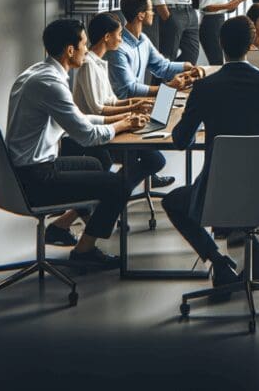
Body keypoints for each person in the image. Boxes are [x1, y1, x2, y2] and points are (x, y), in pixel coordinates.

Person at [161, 15, 259, 290]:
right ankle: (257, 250)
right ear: (251, 44)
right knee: (242, 189)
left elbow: (180, 141)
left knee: (174, 202)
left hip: (218, 192)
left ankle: (219, 261)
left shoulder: (205, 87)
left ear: (220, 44)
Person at [5, 19, 150, 268]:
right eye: (83, 43)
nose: (87, 49)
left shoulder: (39, 72)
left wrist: (120, 119)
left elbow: (79, 118)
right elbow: (87, 135)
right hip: (35, 177)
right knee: (118, 185)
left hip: (27, 168)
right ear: (70, 50)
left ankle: (63, 226)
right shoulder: (51, 84)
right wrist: (122, 126)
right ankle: (85, 250)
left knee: (95, 164)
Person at [46, 14, 169, 245]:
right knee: (151, 160)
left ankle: (67, 222)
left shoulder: (99, 63)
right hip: (84, 140)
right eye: (119, 35)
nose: (122, 39)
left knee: (152, 159)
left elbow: (109, 102)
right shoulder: (87, 66)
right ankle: (98, 218)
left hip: (95, 133)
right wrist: (127, 118)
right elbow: (97, 110)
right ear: (106, 36)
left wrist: (135, 106)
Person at [107, 0, 202, 100]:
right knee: (170, 103)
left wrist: (186, 66)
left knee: (179, 104)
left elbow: (162, 67)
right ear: (141, 15)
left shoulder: (143, 40)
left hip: (141, 103)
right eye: (151, 10)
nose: (153, 13)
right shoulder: (118, 48)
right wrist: (169, 87)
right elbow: (130, 89)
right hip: (124, 109)